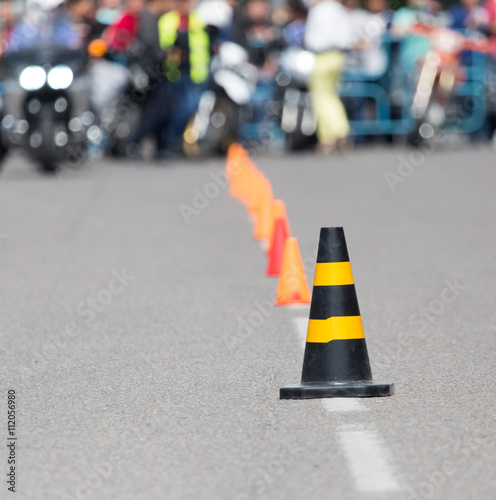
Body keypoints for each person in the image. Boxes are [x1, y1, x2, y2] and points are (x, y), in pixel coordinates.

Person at [157, 0, 210, 155]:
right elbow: (164, 45)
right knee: (175, 110)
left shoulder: (198, 19)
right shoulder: (168, 20)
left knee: (189, 107)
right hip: (174, 73)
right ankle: (170, 141)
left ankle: (177, 140)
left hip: (195, 72)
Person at [304, 0, 354, 154]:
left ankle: (329, 137)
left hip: (323, 56)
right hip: (338, 56)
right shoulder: (337, 8)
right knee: (332, 95)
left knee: (321, 97)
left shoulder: (319, 10)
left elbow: (313, 39)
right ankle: (340, 131)